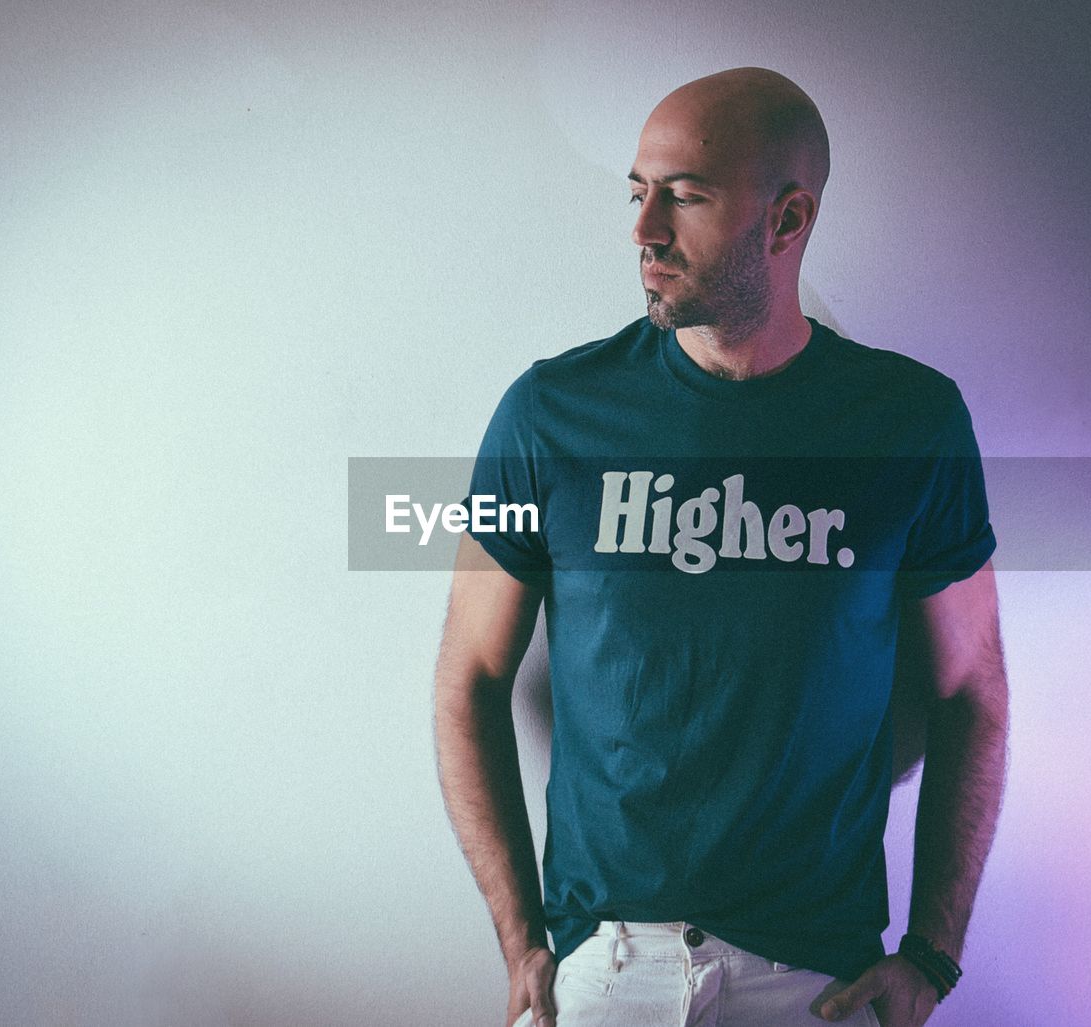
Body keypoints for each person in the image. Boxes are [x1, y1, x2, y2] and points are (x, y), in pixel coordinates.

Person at [433, 67, 1008, 1027]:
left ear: (786, 221)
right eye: (637, 191)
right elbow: (470, 678)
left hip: (817, 979)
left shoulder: (909, 420)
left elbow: (969, 691)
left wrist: (934, 957)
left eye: (685, 197)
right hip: (610, 968)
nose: (643, 229)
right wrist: (523, 943)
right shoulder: (553, 412)